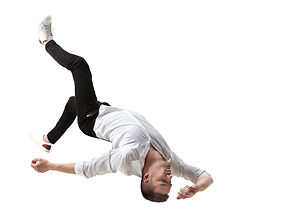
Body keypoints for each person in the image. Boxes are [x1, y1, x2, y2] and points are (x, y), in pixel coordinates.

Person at [30, 16, 213, 202]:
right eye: (170, 183)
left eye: (163, 182)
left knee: (79, 66)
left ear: (147, 177)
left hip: (92, 118)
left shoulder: (127, 157)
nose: (170, 178)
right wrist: (197, 187)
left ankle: (46, 40)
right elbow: (206, 176)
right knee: (72, 103)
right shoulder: (171, 162)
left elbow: (89, 168)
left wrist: (50, 166)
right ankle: (47, 140)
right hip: (107, 111)